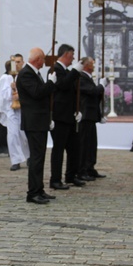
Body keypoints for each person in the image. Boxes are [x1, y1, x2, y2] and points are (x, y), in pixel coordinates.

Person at [16, 47, 57, 204]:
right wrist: (51, 84)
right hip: (33, 122)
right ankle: (33, 193)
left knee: (39, 157)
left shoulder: (34, 73)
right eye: (43, 59)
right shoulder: (26, 73)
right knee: (36, 158)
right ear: (37, 59)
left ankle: (39, 189)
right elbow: (37, 93)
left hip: (39, 121)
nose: (45, 62)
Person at [48, 44, 85, 189]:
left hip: (69, 115)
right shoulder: (54, 69)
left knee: (73, 148)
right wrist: (75, 71)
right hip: (59, 116)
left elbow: (73, 91)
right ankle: (55, 179)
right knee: (58, 149)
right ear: (65, 55)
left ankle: (71, 175)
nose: (73, 58)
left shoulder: (67, 71)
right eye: (72, 55)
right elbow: (62, 85)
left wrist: (77, 109)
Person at [0, 60, 29, 171]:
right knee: (13, 135)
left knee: (25, 135)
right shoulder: (5, 79)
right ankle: (15, 160)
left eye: (19, 62)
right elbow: (3, 95)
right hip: (10, 110)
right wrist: (12, 91)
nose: (18, 65)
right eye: (15, 63)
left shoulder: (24, 76)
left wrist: (20, 94)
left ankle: (29, 157)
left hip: (23, 109)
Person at [77, 57, 105, 179]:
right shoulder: (81, 77)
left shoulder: (87, 78)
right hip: (85, 115)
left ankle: (90, 167)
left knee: (91, 144)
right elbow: (92, 91)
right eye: (92, 64)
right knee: (84, 145)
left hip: (91, 116)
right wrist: (101, 87)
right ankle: (82, 170)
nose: (93, 66)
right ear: (86, 65)